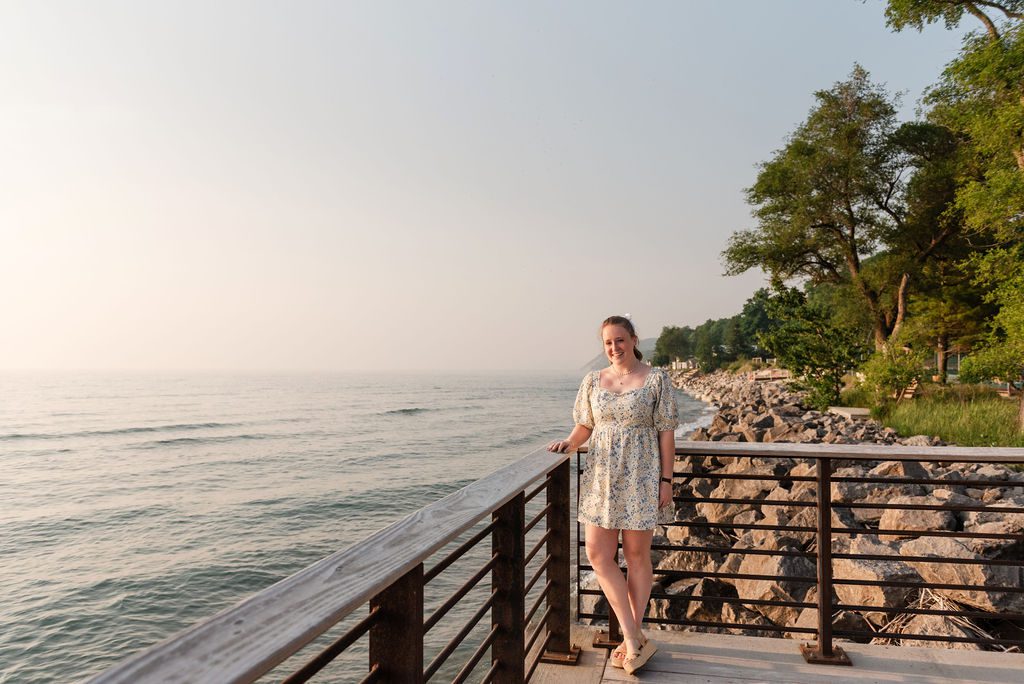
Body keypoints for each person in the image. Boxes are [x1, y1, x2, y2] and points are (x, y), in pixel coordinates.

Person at [547, 315, 679, 675]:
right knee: (598, 554)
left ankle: (630, 641)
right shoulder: (593, 380)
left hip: (641, 476)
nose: (614, 348)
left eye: (620, 340)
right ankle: (633, 635)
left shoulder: (657, 379)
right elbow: (586, 424)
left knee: (637, 556)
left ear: (634, 339)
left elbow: (666, 433)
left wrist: (666, 481)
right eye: (607, 342)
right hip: (602, 478)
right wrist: (570, 443)